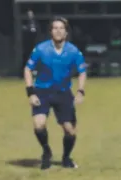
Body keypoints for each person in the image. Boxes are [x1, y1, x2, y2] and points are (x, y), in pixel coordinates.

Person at [24, 17, 87, 170]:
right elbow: (27, 69)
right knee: (39, 125)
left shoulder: (73, 51)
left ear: (66, 32)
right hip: (42, 91)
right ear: (51, 31)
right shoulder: (41, 49)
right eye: (55, 28)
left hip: (63, 93)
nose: (58, 31)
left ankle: (66, 158)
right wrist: (31, 93)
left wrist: (80, 91)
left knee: (70, 131)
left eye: (61, 28)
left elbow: (82, 71)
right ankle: (46, 151)